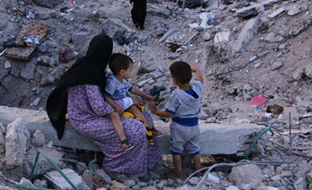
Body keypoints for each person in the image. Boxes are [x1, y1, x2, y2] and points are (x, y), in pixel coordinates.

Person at [46, 34, 161, 177]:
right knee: (136, 129)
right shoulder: (89, 75)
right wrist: (125, 103)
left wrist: (125, 103)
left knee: (146, 116)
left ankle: (149, 162)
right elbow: (99, 107)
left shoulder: (93, 68)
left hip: (99, 113)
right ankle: (118, 168)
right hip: (86, 119)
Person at [150, 62, 204, 179]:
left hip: (179, 127)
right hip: (194, 126)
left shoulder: (176, 96)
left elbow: (169, 113)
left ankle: (178, 173)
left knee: (176, 150)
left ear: (174, 80)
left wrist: (155, 111)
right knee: (195, 149)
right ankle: (198, 172)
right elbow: (200, 78)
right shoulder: (197, 88)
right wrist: (196, 69)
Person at [104, 53, 158, 149]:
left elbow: (132, 89)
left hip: (123, 103)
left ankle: (148, 127)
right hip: (115, 105)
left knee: (135, 108)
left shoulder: (123, 81)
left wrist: (145, 95)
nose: (131, 72)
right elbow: (107, 97)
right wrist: (116, 105)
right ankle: (146, 128)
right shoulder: (112, 82)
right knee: (134, 103)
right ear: (122, 72)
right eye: (130, 70)